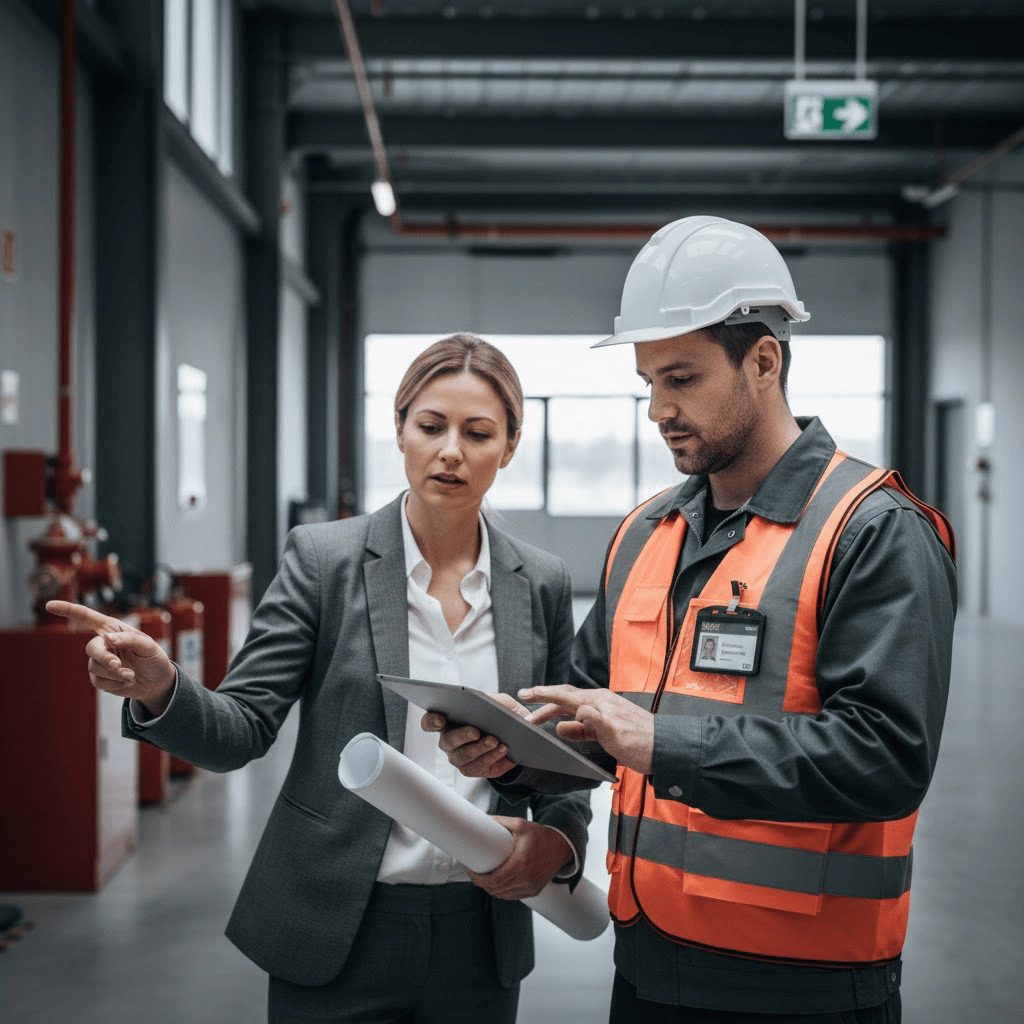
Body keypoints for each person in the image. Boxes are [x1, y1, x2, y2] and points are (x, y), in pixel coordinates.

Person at [436, 217, 957, 1023]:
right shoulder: (647, 533)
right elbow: (591, 725)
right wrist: (512, 752)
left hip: (804, 990)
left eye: (681, 379)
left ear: (763, 360)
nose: (657, 410)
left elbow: (886, 758)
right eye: (648, 381)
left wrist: (661, 739)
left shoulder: (871, 530)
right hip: (646, 968)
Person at [49, 334, 591, 1024]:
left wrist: (559, 840)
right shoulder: (324, 562)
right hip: (338, 922)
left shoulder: (540, 584)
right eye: (430, 426)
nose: (450, 449)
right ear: (399, 429)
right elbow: (240, 730)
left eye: (477, 432)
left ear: (509, 447)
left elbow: (565, 764)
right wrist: (161, 688)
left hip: (480, 935)